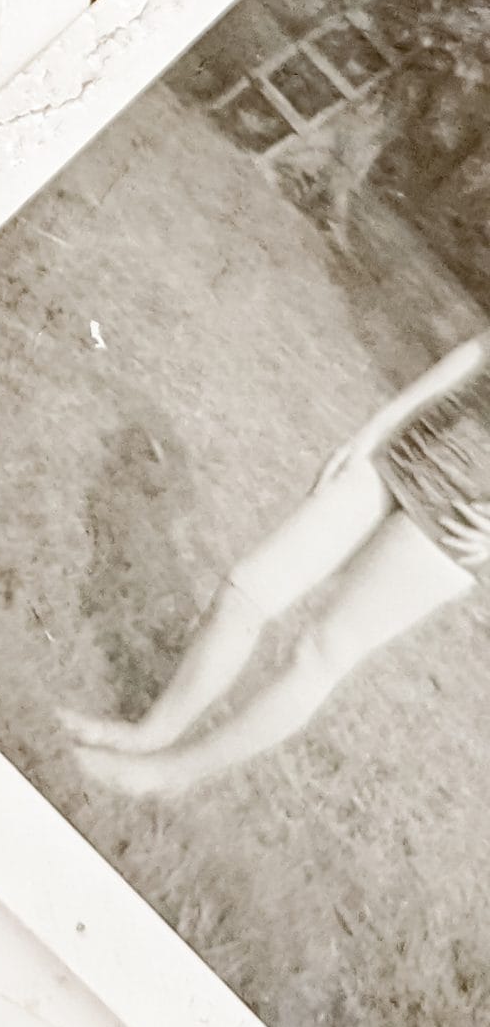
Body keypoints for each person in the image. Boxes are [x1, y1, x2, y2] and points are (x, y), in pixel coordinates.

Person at [65, 332, 490, 797]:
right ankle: (149, 734)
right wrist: (376, 427)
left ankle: (168, 775)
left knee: (321, 651)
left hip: (462, 519)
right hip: (410, 449)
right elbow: (478, 351)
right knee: (247, 589)